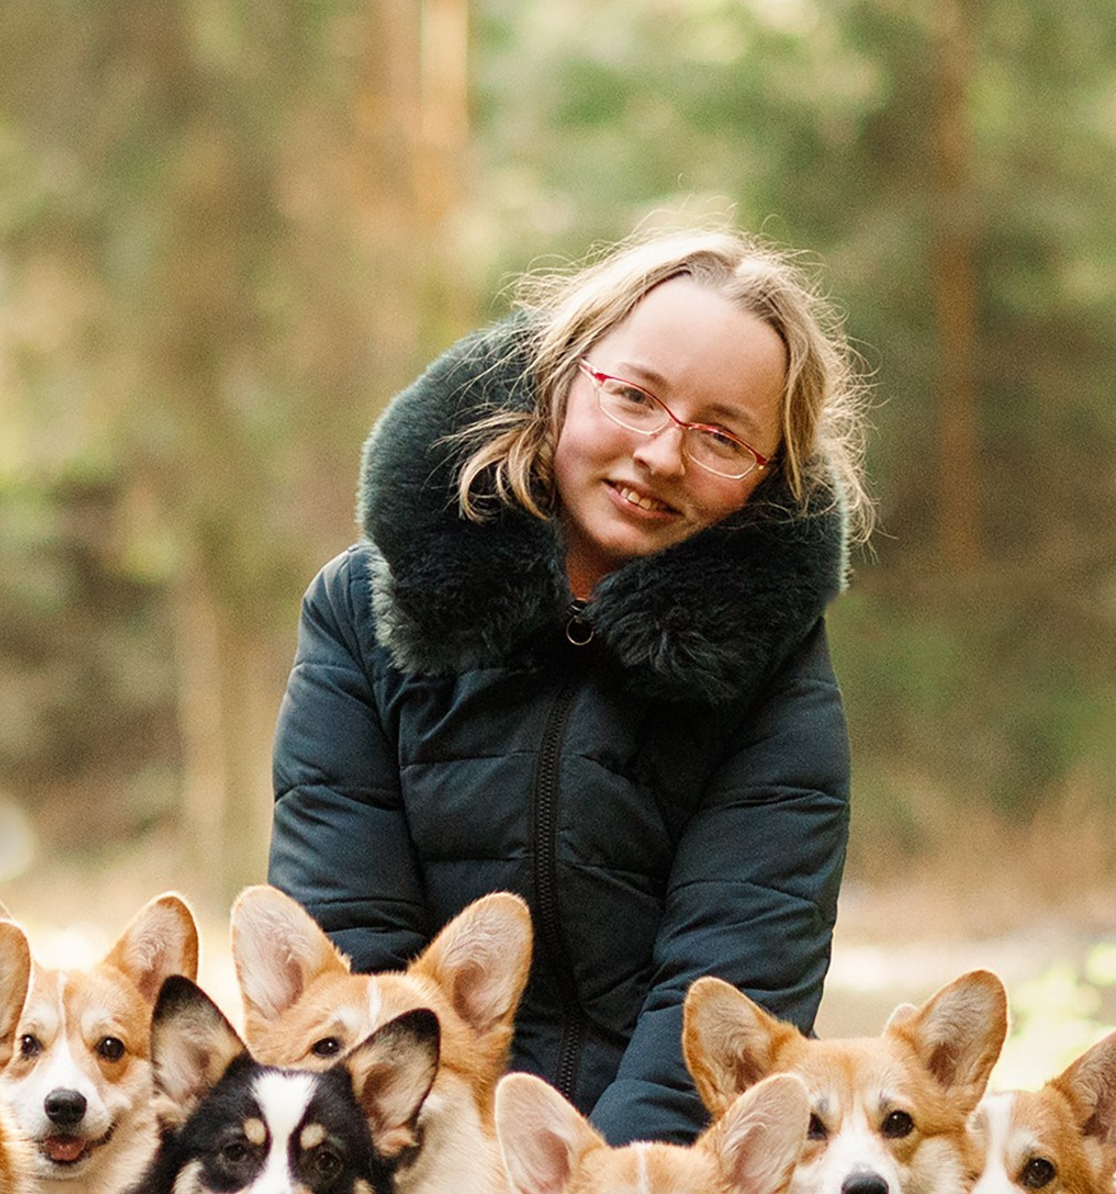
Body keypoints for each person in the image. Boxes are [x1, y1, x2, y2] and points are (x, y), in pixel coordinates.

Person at [268, 224, 865, 1145]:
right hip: (413, 1153)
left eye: (720, 438)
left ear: (767, 481)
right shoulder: (364, 609)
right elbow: (350, 959)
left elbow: (731, 991)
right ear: (560, 377)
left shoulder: (774, 672)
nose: (662, 456)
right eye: (633, 397)